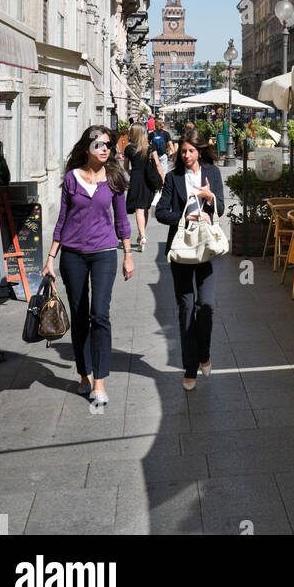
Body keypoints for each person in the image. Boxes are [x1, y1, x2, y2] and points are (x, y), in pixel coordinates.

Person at [41, 125, 133, 408]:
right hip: (73, 255)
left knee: (100, 315)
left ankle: (99, 382)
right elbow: (62, 219)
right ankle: (83, 374)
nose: (106, 149)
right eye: (100, 145)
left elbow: (121, 220)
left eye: (108, 145)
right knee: (80, 315)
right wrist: (50, 258)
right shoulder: (72, 179)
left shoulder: (115, 179)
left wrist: (128, 254)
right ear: (87, 149)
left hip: (105, 253)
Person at [156, 128, 225, 391]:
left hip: (206, 247)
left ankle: (204, 353)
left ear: (199, 151)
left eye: (191, 151)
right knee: (186, 308)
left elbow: (220, 205)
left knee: (205, 305)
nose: (186, 155)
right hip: (182, 250)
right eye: (183, 151)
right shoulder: (173, 178)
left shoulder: (212, 173)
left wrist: (210, 199)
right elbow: (161, 212)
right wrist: (184, 217)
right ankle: (189, 368)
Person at [125, 122, 165, 251]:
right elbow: (158, 164)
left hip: (136, 179)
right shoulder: (150, 147)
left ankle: (142, 235)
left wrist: (131, 173)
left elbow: (126, 167)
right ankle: (142, 234)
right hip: (149, 179)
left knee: (139, 208)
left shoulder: (129, 148)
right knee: (145, 207)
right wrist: (163, 179)